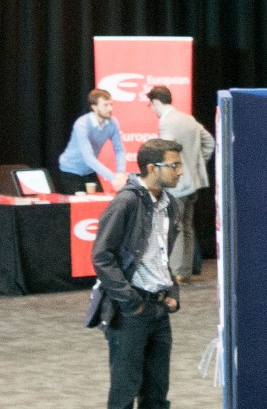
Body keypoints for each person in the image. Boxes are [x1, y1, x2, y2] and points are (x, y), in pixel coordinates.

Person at [89, 139, 186, 409]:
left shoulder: (171, 205)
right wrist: (131, 301)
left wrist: (173, 294)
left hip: (158, 310)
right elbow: (101, 256)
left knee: (157, 393)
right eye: (174, 165)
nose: (180, 171)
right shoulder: (126, 202)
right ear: (152, 168)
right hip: (131, 312)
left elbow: (162, 257)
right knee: (124, 392)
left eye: (180, 165)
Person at [146, 87, 215, 282]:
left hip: (177, 184)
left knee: (174, 227)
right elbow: (209, 142)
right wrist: (196, 164)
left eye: (151, 106)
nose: (152, 110)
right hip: (193, 181)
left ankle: (176, 272)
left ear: (156, 102)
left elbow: (165, 153)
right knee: (186, 227)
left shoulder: (167, 122)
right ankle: (184, 271)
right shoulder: (188, 119)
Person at [57, 89, 126, 194]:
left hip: (89, 171)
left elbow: (119, 150)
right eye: (105, 105)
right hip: (70, 171)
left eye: (111, 104)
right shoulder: (82, 124)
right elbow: (88, 157)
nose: (110, 108)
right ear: (94, 107)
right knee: (78, 207)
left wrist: (120, 173)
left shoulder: (113, 123)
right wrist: (113, 178)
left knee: (100, 204)